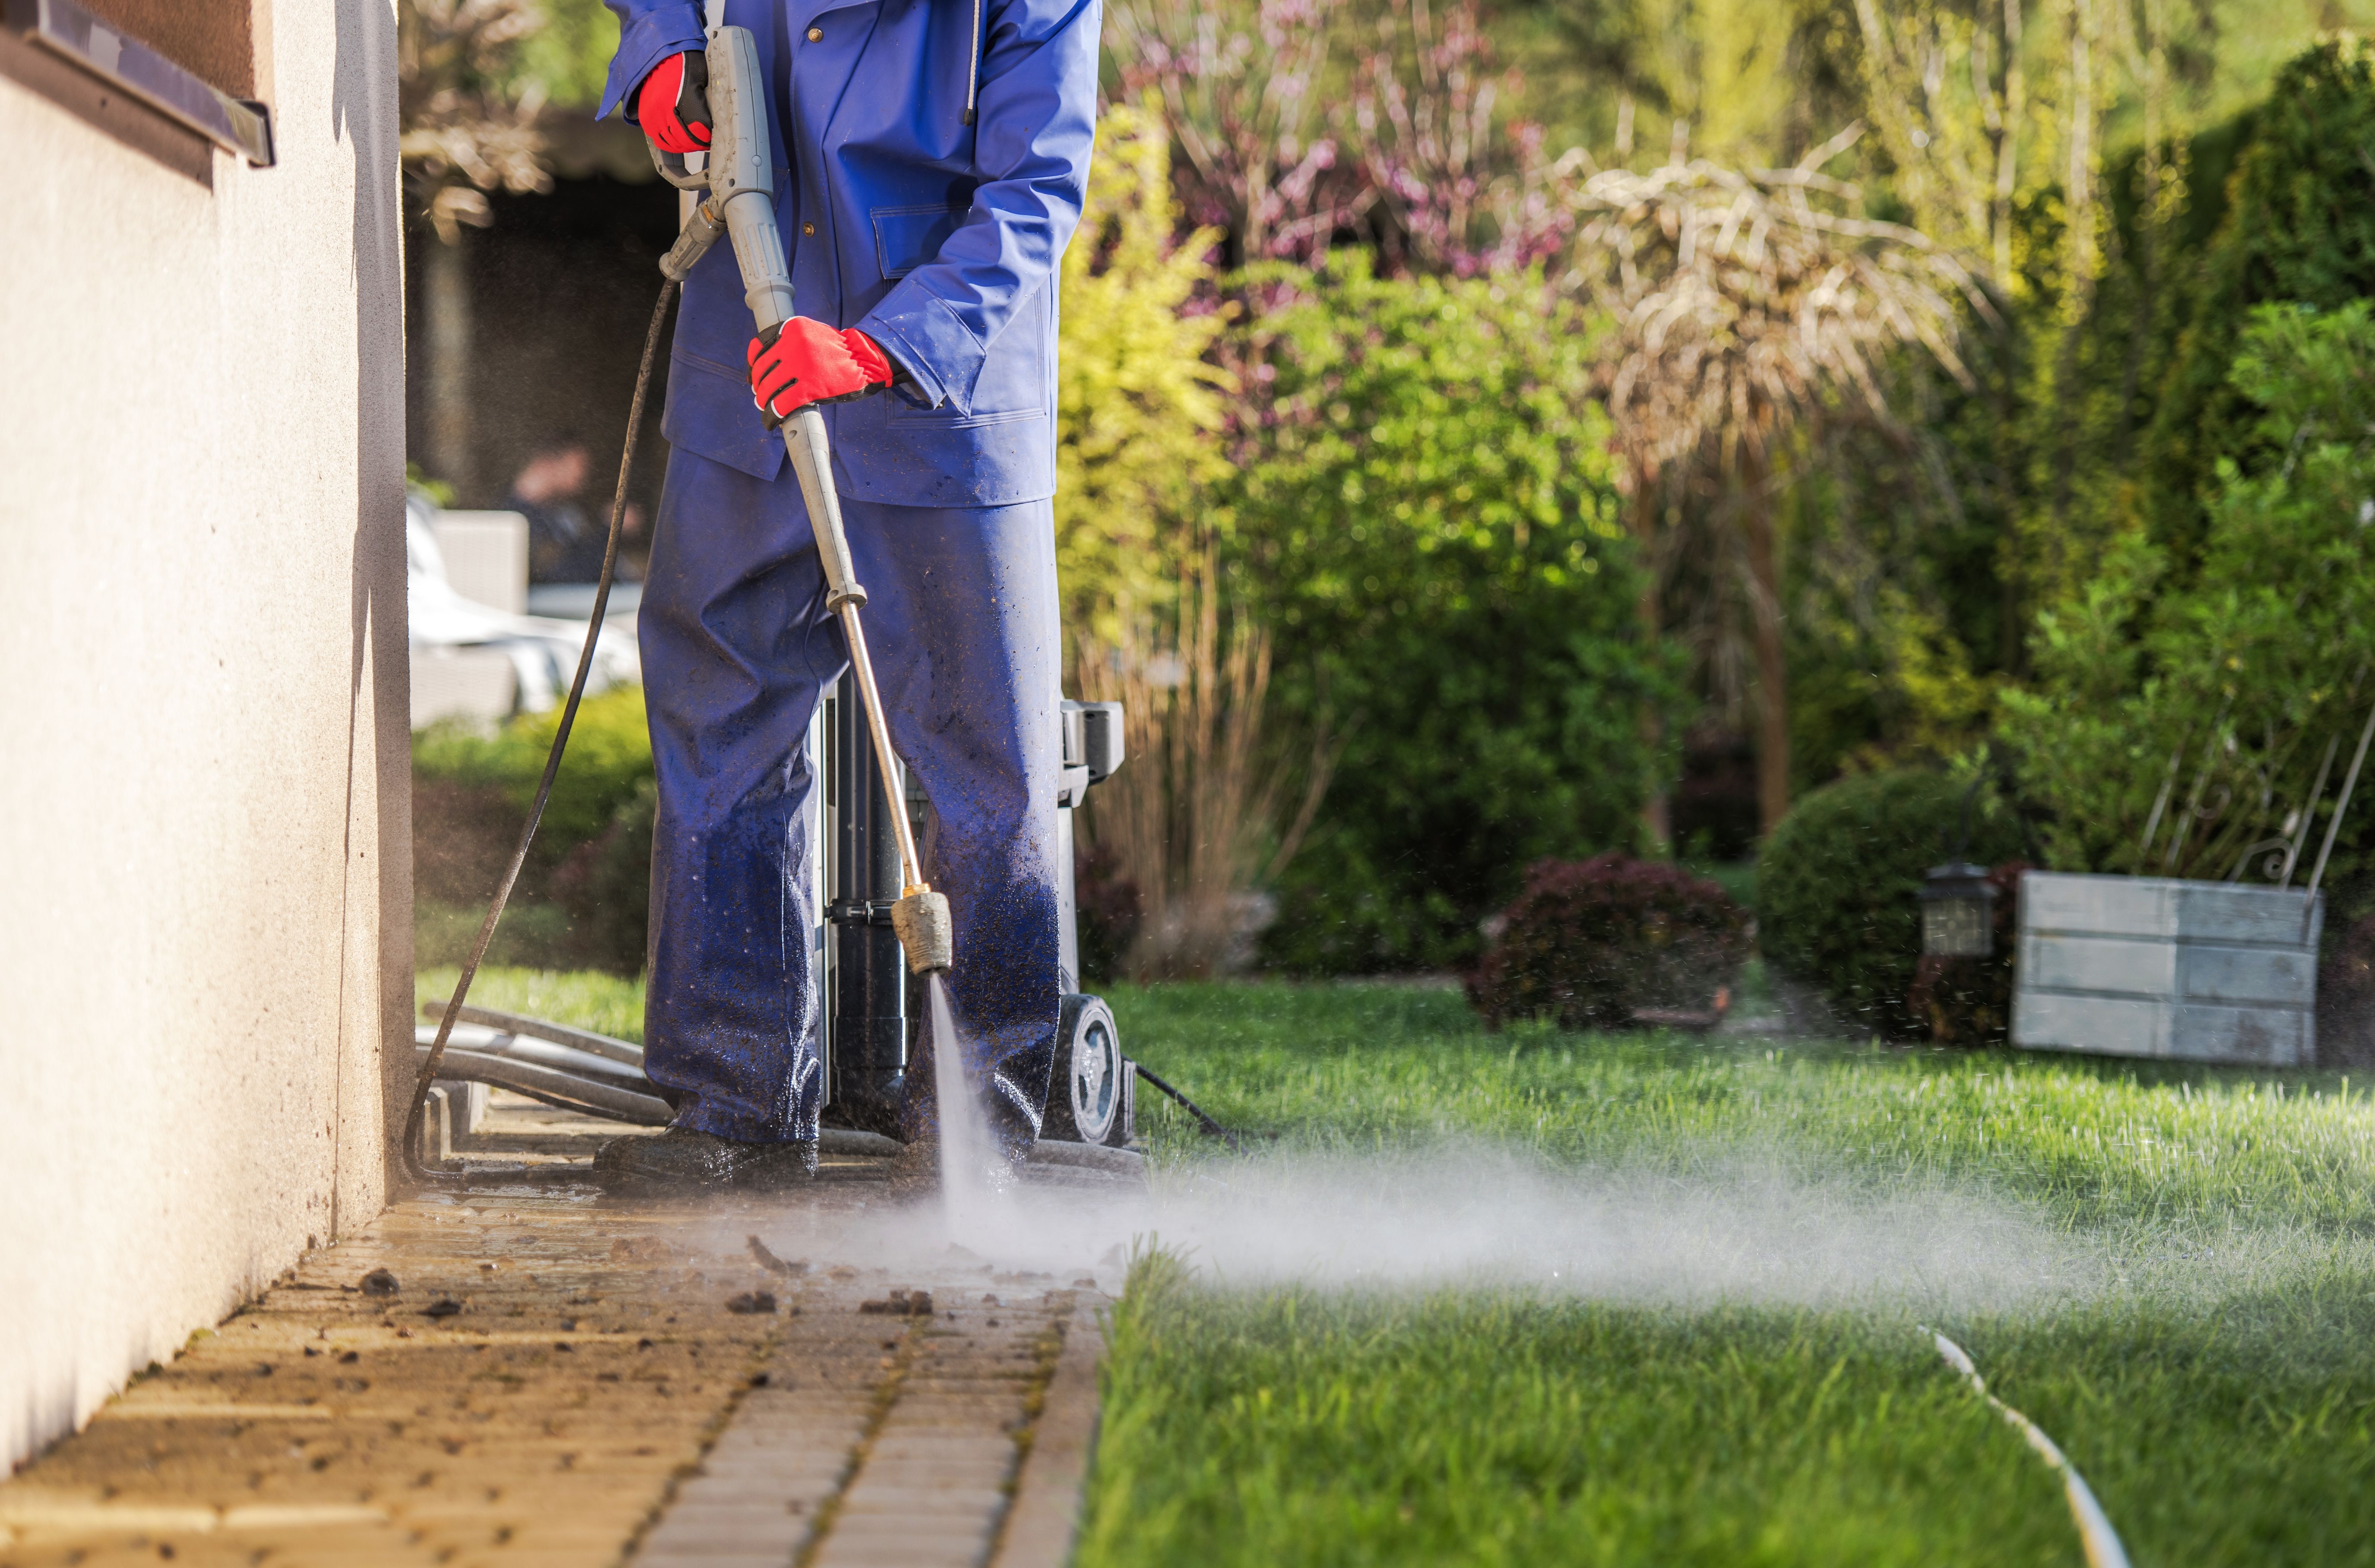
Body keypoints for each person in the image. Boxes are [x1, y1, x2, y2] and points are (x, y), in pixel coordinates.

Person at [589, 0, 1098, 1189]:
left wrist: (879, 349)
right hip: (745, 391)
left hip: (933, 406)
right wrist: (659, 49)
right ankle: (735, 1109)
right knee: (721, 733)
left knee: (984, 766)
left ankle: (986, 1120)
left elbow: (1034, 196)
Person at [505, 436, 604, 584]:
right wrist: (608, 531)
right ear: (549, 464)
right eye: (579, 466)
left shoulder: (557, 513)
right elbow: (565, 575)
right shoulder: (514, 518)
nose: (583, 477)